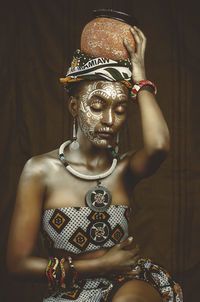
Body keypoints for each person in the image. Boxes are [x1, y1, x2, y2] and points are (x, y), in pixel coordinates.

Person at [6, 24, 183, 302]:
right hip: (68, 292)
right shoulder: (40, 171)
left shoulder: (124, 168)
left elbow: (159, 145)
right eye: (97, 106)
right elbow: (17, 265)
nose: (110, 121)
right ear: (74, 108)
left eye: (121, 109)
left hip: (126, 285)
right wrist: (97, 266)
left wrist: (141, 81)